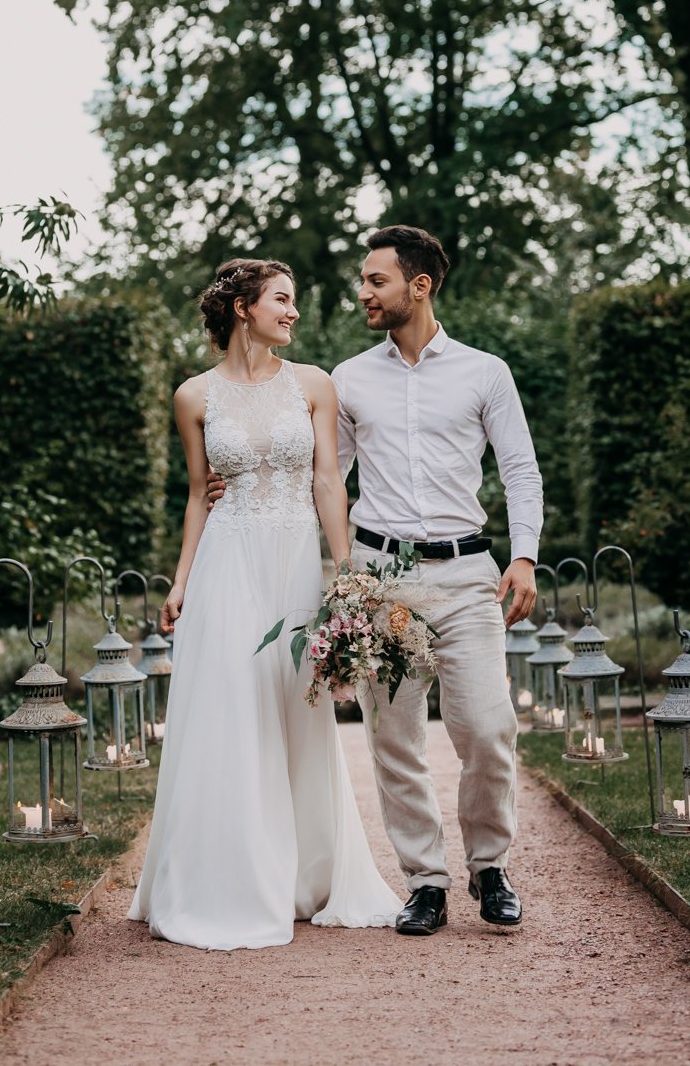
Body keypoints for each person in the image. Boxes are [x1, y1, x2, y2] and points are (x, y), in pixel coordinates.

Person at [207, 226, 542, 936]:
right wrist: (236, 484)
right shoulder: (350, 378)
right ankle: (425, 879)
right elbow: (324, 472)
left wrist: (525, 554)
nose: (362, 292)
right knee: (393, 736)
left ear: (418, 286)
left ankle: (490, 865)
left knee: (486, 726)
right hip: (382, 576)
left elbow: (519, 469)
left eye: (375, 281)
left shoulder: (486, 372)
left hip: (468, 574)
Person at [128, 258, 400, 950]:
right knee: (231, 711)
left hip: (294, 565)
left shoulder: (314, 384)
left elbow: (328, 481)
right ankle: (227, 877)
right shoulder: (193, 396)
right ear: (244, 307)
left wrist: (345, 574)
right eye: (283, 299)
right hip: (226, 563)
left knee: (295, 710)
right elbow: (198, 492)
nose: (295, 312)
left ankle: (306, 876)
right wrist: (181, 580)